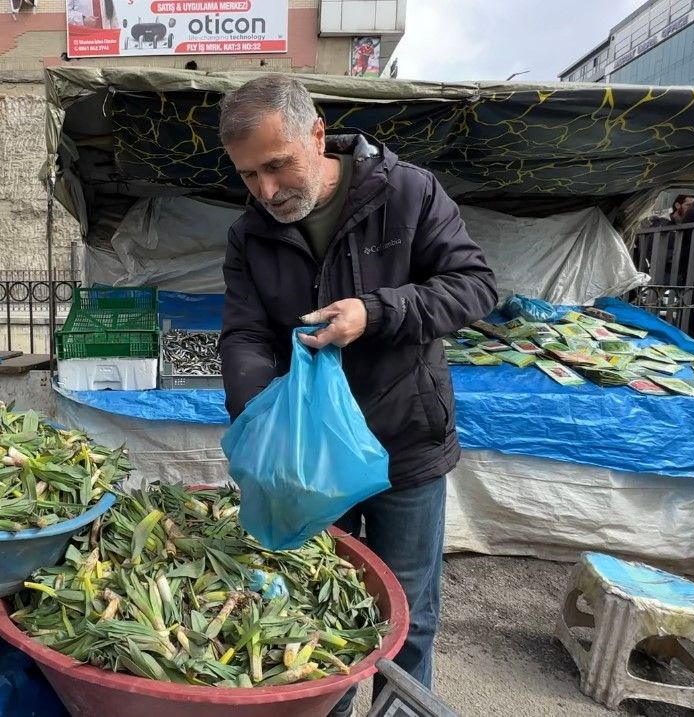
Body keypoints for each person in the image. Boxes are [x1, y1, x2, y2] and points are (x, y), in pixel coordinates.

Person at [217, 75, 497, 709]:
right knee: (321, 614)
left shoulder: (405, 193)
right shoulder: (249, 234)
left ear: (316, 134)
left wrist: (376, 313)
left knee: (407, 618)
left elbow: (475, 285)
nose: (266, 191)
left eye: (277, 166)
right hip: (312, 464)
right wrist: (261, 419)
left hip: (404, 442)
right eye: (249, 176)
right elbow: (245, 334)